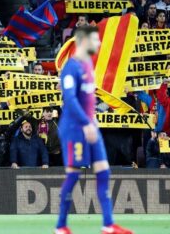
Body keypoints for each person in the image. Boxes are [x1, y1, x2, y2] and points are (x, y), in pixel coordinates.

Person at [55, 26, 132, 234]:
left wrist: (93, 120)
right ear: (82, 41)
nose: (98, 44)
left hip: (91, 125)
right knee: (73, 175)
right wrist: (86, 123)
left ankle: (108, 224)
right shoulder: (70, 68)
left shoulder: (89, 64)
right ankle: (61, 226)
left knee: (104, 172)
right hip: (74, 128)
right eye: (95, 41)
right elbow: (69, 100)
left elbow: (88, 99)